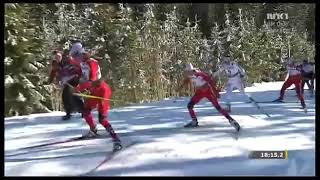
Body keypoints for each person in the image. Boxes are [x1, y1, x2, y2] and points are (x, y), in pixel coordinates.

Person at [177, 63, 240, 132]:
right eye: (186, 72)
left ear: (191, 70)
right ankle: (194, 121)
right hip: (200, 92)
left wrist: (215, 91)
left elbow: (210, 80)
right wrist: (181, 87)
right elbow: (187, 80)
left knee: (218, 108)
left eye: (187, 72)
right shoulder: (190, 75)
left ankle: (231, 120)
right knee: (190, 105)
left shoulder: (199, 74)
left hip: (208, 92)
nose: (186, 73)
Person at [74, 79, 122, 152]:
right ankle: (93, 129)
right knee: (85, 110)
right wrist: (77, 91)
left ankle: (116, 140)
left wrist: (102, 112)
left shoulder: (104, 89)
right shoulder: (89, 82)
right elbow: (80, 87)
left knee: (102, 119)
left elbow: (103, 105)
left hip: (102, 95)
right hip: (95, 93)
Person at [48, 50, 84, 120]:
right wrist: (50, 80)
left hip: (74, 79)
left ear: (61, 56)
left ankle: (82, 110)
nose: (57, 58)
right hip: (66, 82)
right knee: (67, 96)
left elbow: (77, 69)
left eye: (58, 56)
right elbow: (53, 72)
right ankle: (69, 112)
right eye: (55, 57)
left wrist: (71, 78)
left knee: (72, 95)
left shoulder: (68, 61)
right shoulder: (55, 64)